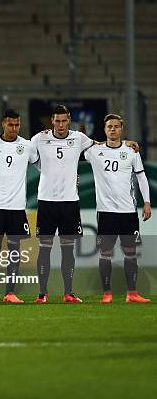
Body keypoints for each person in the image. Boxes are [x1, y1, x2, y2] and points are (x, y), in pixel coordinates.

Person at [30, 104, 138, 304]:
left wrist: (125, 144)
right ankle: (42, 294)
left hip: (70, 201)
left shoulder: (79, 138)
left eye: (64, 121)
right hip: (46, 201)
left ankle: (68, 293)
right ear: (52, 121)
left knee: (67, 248)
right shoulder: (39, 138)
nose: (61, 125)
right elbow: (23, 154)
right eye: (57, 121)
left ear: (69, 120)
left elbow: (102, 145)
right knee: (44, 247)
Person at [84, 114, 151, 303]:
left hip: (128, 211)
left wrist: (146, 202)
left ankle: (132, 293)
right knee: (106, 253)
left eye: (116, 126)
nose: (112, 129)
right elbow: (73, 146)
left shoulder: (132, 151)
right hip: (105, 212)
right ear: (104, 130)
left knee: (130, 252)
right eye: (109, 127)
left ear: (122, 129)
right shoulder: (94, 151)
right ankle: (107, 294)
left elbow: (141, 177)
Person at [0, 109, 39, 304]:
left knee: (14, 250)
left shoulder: (27, 146)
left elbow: (42, 167)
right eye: (10, 124)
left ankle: (10, 293)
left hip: (17, 207)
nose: (14, 128)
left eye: (17, 125)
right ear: (3, 124)